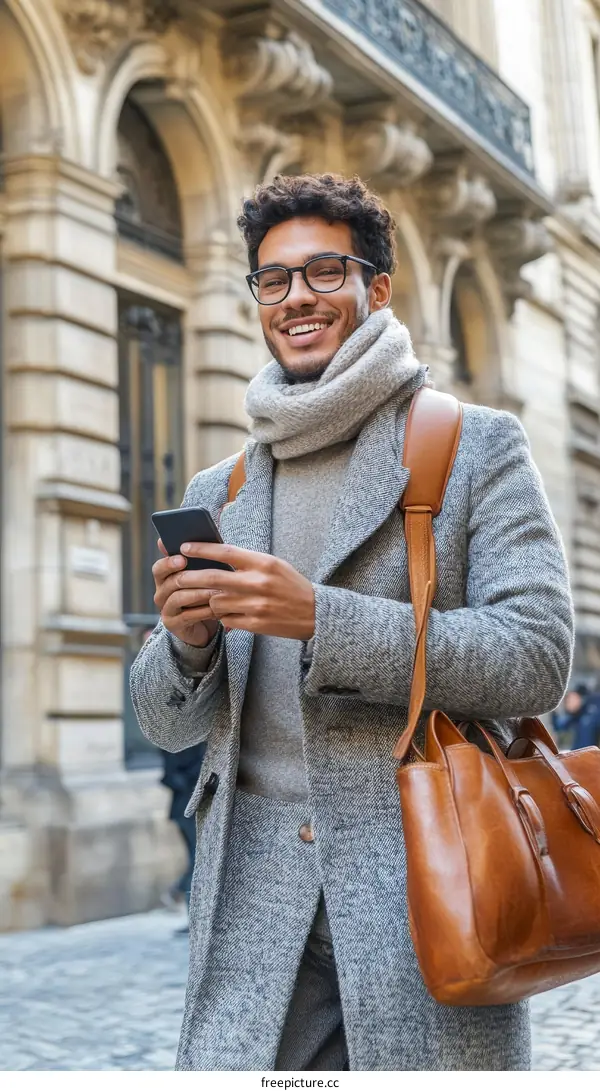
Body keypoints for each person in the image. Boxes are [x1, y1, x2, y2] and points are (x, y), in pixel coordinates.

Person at [130, 174, 574, 1071]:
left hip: (429, 884)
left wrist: (321, 619)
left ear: (377, 288)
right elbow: (164, 723)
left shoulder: (471, 445)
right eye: (274, 279)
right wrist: (187, 643)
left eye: (324, 271)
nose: (296, 296)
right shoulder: (220, 488)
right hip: (251, 908)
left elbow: (536, 656)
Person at [160, 741, 206, 930]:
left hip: (186, 808)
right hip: (189, 809)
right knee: (197, 860)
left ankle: (179, 892)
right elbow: (169, 776)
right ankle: (192, 917)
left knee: (196, 860)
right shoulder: (188, 740)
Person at [552, 682, 600, 750]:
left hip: (592, 753)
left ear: (577, 697)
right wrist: (554, 712)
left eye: (569, 701)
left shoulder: (593, 709)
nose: (567, 705)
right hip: (579, 752)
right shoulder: (576, 716)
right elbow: (559, 726)